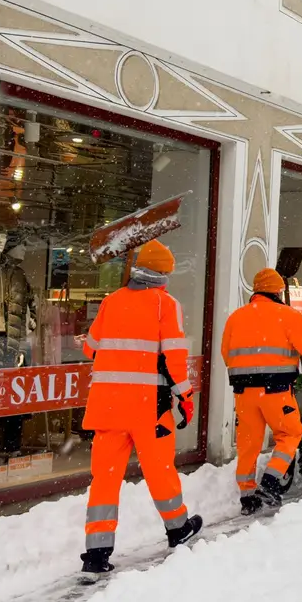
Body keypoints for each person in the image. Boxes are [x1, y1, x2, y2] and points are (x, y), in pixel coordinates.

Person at [78, 240, 202, 574]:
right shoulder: (166, 304)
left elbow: (90, 348)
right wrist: (185, 396)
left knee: (104, 479)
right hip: (149, 408)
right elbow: (175, 357)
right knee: (159, 470)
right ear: (162, 275)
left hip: (106, 408)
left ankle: (97, 553)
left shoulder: (111, 302)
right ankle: (177, 529)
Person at [222, 269, 302, 514]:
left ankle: (247, 496)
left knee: (248, 444)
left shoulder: (236, 317)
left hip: (243, 394)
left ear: (256, 291)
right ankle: (271, 482)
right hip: (276, 392)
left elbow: (227, 353)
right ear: (277, 292)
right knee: (290, 433)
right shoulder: (286, 315)